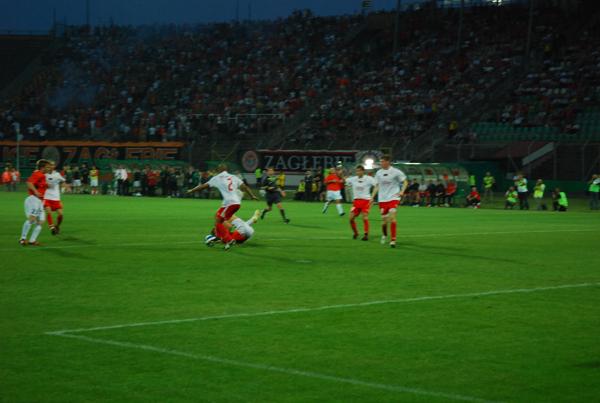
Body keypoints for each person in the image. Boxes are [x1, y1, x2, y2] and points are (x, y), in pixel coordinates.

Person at [187, 164, 258, 250]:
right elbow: (244, 187)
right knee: (219, 218)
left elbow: (203, 186)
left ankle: (228, 239)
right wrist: (252, 195)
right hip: (235, 203)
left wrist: (192, 190)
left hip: (230, 203)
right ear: (226, 170)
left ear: (218, 170)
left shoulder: (217, 178)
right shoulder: (233, 177)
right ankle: (224, 238)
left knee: (218, 221)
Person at [371, 155, 408, 248]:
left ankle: (393, 240)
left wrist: (402, 191)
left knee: (392, 218)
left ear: (388, 162)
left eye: (382, 161)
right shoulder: (379, 173)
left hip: (393, 198)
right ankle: (384, 235)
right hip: (382, 199)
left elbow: (405, 182)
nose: (381, 163)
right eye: (381, 161)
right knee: (384, 221)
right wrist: (372, 197)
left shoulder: (396, 172)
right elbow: (377, 186)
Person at [20, 159, 51, 246]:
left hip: (40, 201)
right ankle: (22, 239)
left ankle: (32, 240)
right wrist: (36, 192)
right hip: (34, 199)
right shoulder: (38, 173)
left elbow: (40, 185)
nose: (49, 168)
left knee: (41, 220)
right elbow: (29, 183)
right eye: (47, 167)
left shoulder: (43, 175)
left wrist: (46, 186)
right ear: (42, 167)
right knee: (32, 219)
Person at [346, 165, 376, 240]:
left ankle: (366, 235)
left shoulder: (369, 179)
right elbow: (345, 180)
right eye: (357, 171)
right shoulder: (353, 179)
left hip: (366, 201)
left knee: (364, 217)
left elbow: (377, 185)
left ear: (363, 171)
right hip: (356, 201)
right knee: (351, 218)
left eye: (359, 171)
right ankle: (356, 233)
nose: (357, 172)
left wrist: (372, 197)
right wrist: (340, 174)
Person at [44, 162, 65, 235]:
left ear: (54, 166)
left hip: (56, 198)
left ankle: (57, 226)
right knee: (48, 212)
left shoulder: (57, 174)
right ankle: (52, 228)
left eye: (52, 165)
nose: (51, 166)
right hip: (46, 197)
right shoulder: (44, 174)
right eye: (49, 165)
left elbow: (63, 181)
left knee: (61, 214)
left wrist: (64, 186)